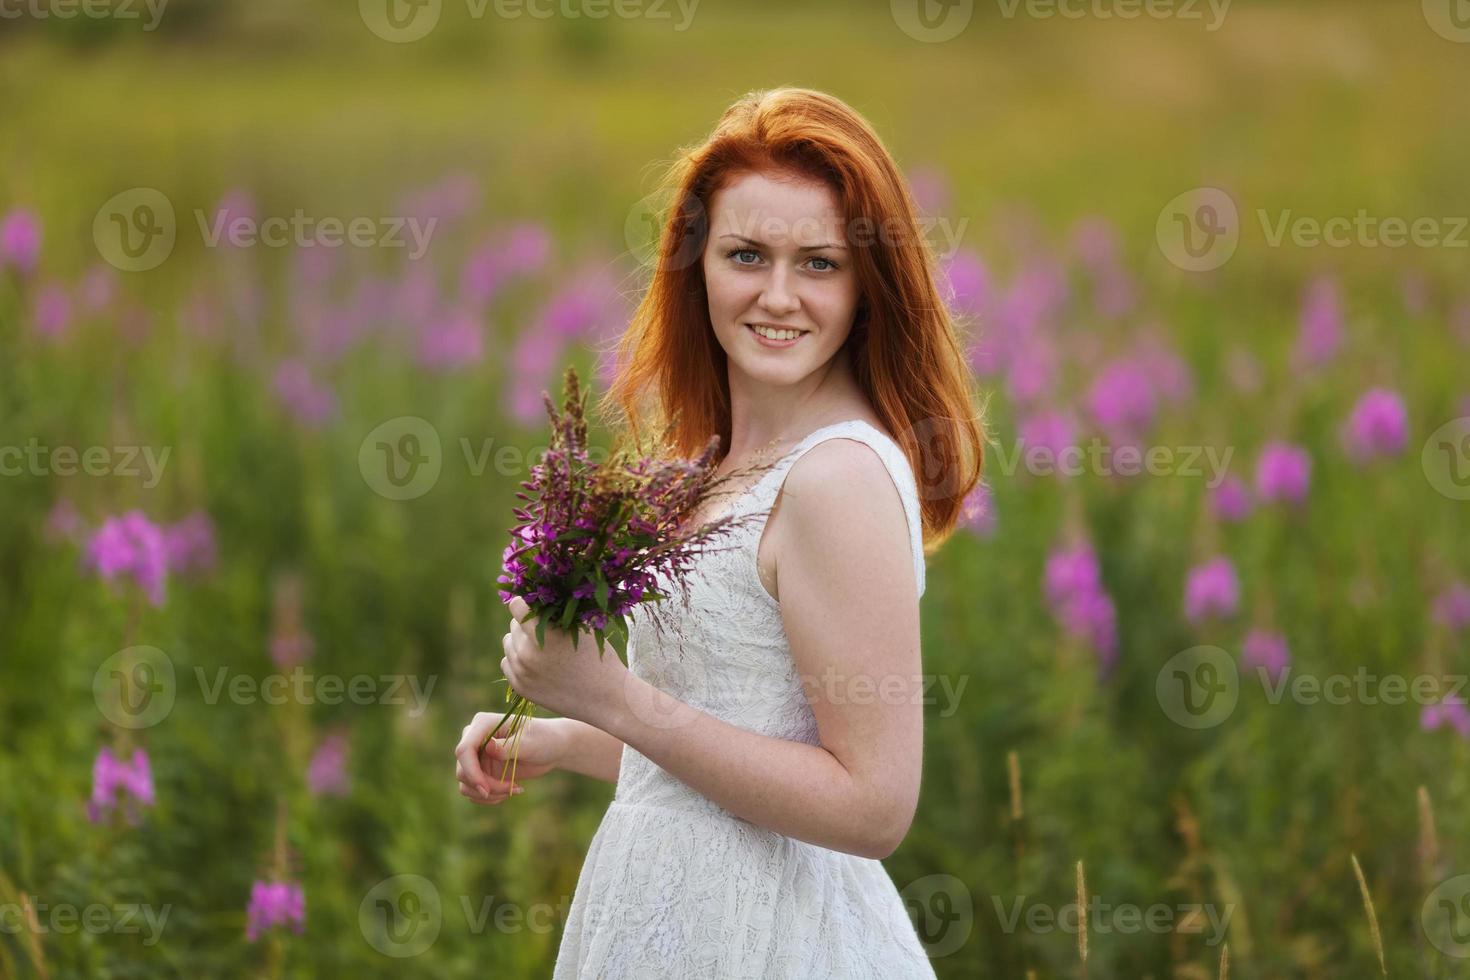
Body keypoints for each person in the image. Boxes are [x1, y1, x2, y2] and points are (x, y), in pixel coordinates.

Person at [454, 86, 983, 978]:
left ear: (867, 284)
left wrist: (613, 696)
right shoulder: (720, 460)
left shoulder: (837, 477)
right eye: (746, 255)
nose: (779, 296)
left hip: (772, 934)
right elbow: (741, 726)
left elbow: (873, 807)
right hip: (676, 907)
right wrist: (570, 732)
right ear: (695, 266)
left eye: (819, 262)